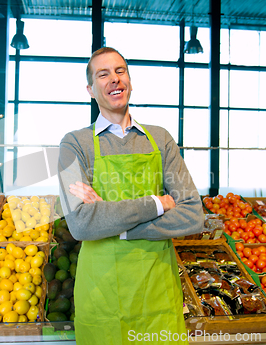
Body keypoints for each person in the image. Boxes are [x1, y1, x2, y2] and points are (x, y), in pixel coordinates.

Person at [57, 47, 204, 345]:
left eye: (120, 71)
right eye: (103, 74)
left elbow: (192, 214)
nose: (114, 79)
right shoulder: (74, 144)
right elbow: (82, 225)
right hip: (102, 294)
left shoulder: (160, 139)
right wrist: (157, 204)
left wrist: (114, 225)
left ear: (130, 81)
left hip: (157, 289)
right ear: (90, 89)